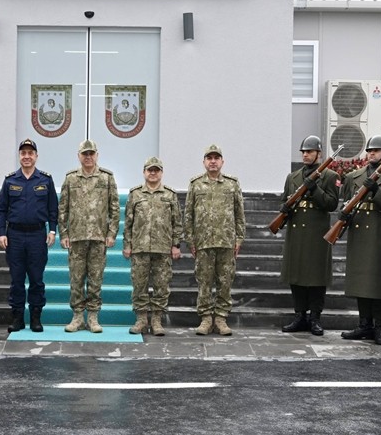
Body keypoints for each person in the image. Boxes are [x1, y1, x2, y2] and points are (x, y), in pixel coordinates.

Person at [337, 135, 381, 346]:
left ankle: (379, 327)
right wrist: (344, 215)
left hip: (380, 233)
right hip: (359, 232)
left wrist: (377, 191)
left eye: (376, 150)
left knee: (378, 283)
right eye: (369, 150)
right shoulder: (354, 177)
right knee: (360, 282)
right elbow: (346, 202)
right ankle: (364, 324)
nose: (371, 154)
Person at [278, 136, 340, 337]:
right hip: (297, 234)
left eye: (310, 151)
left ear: (318, 154)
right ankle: (299, 316)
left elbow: (331, 204)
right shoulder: (293, 177)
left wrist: (314, 188)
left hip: (316, 234)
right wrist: (285, 208)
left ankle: (315, 318)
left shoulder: (329, 176)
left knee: (316, 278)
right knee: (296, 277)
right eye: (303, 152)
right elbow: (286, 199)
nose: (305, 154)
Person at [0, 138, 58, 333]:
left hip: (37, 235)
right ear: (19, 156)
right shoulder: (10, 180)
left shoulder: (45, 180)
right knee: (17, 279)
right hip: (14, 236)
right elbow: (1, 210)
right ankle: (17, 318)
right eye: (23, 153)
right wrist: (1, 233)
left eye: (31, 153)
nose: (27, 156)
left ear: (36, 156)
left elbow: (53, 208)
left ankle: (36, 318)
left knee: (37, 279)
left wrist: (53, 230)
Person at [57, 139, 120, 333]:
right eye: (85, 154)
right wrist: (64, 233)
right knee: (76, 279)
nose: (88, 157)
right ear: (79, 156)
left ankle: (93, 316)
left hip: (98, 238)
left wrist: (111, 234)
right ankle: (77, 316)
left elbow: (115, 208)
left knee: (95, 279)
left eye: (91, 153)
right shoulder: (70, 179)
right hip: (76, 238)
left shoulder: (106, 178)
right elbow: (63, 209)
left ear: (97, 155)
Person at [184, 144, 245, 336]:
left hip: (226, 241)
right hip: (203, 242)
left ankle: (220, 319)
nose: (212, 161)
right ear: (204, 162)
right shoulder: (195, 184)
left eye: (216, 158)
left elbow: (239, 213)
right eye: (209, 158)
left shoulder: (232, 184)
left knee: (225, 281)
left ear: (222, 161)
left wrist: (239, 239)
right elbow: (188, 215)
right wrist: (190, 240)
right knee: (204, 282)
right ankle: (205, 319)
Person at [122, 156, 182, 336]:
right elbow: (129, 222)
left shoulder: (170, 194)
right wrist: (127, 245)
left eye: (156, 170)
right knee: (139, 285)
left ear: (161, 173)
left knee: (161, 286)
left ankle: (156, 320)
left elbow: (176, 222)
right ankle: (141, 320)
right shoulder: (135, 194)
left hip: (163, 248)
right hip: (140, 248)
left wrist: (176, 245)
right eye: (150, 170)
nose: (153, 173)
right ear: (144, 172)